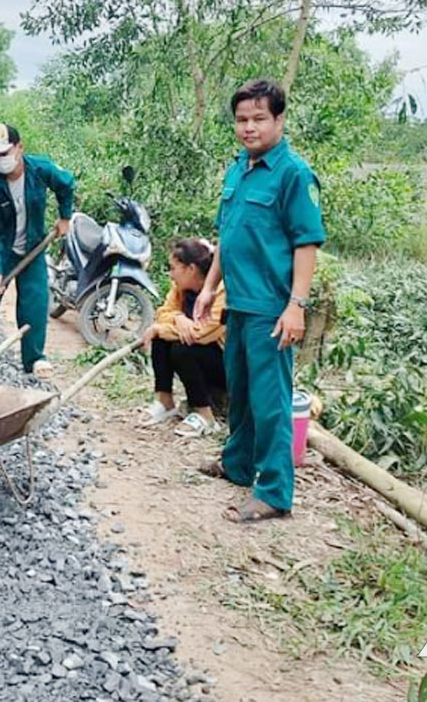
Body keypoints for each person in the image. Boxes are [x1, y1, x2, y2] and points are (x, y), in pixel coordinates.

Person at [194, 79, 324, 524]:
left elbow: (306, 243)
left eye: (258, 119)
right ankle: (237, 464)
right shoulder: (237, 170)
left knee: (271, 400)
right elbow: (226, 237)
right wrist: (210, 287)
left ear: (279, 120)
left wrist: (296, 306)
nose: (249, 128)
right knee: (243, 392)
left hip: (272, 306)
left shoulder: (293, 174)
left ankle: (273, 492)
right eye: (242, 120)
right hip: (239, 302)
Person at [0, 124, 74, 381]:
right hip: (2, 252)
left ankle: (35, 359)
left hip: (33, 248)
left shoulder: (40, 171)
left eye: (5, 152)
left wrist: (65, 217)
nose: (0, 159)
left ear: (19, 148)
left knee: (35, 301)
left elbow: (66, 183)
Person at [141, 238, 226, 437]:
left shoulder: (221, 290)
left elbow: (203, 334)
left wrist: (160, 329)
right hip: (197, 351)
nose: (171, 274)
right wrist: (178, 319)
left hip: (224, 362)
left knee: (181, 347)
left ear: (191, 269)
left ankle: (205, 415)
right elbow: (163, 312)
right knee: (161, 341)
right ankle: (164, 400)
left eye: (173, 268)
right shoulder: (180, 288)